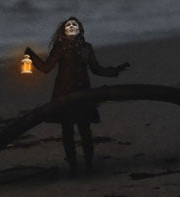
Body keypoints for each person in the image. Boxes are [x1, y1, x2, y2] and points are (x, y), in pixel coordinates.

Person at [22, 16, 129, 175]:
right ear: (63, 30)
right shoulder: (59, 48)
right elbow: (46, 68)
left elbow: (96, 69)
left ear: (80, 29)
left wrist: (115, 71)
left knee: (85, 130)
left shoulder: (87, 48)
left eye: (75, 24)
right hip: (64, 94)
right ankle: (73, 167)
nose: (71, 26)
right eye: (68, 25)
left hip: (83, 93)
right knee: (67, 131)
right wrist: (30, 55)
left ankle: (89, 165)